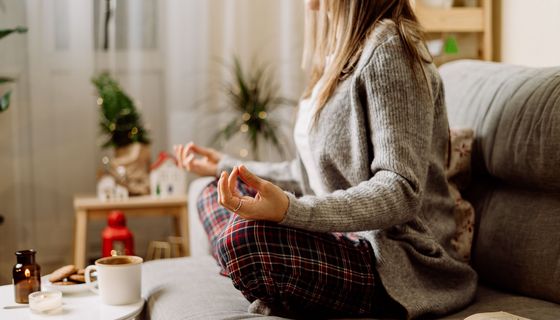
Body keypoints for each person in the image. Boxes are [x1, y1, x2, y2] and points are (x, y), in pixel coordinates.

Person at [174, 0, 477, 318]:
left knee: (243, 237)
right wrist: (226, 168)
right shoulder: (338, 56)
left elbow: (400, 188)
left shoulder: (390, 45)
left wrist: (292, 211)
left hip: (396, 261)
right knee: (213, 193)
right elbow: (307, 175)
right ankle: (273, 280)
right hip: (343, 237)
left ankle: (264, 276)